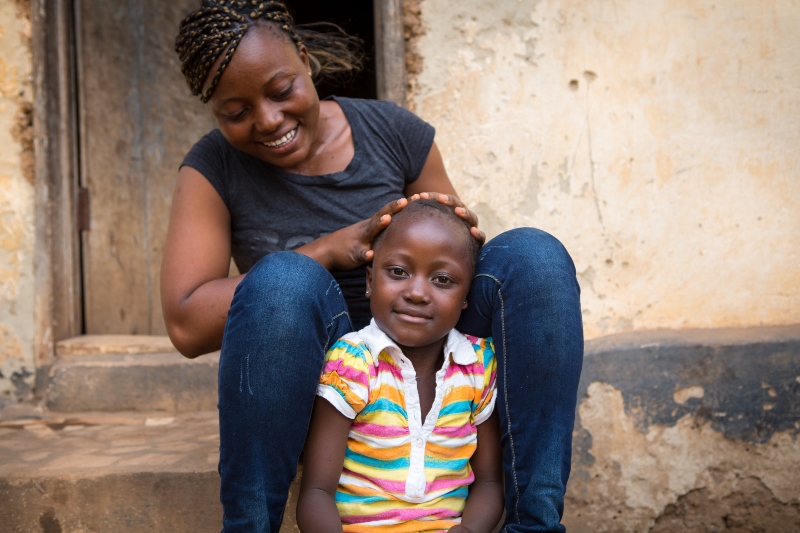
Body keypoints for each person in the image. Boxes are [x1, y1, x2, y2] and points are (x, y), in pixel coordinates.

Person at [163, 2, 583, 531]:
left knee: (534, 256)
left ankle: (535, 525)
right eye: (236, 111)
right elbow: (185, 324)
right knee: (284, 279)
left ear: (307, 62)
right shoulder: (212, 169)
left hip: (435, 362)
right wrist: (325, 249)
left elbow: (456, 256)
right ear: (213, 113)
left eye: (280, 89)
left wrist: (456, 237)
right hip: (325, 383)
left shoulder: (395, 133)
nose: (268, 119)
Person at [297, 199, 504, 533]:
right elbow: (317, 491)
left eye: (442, 279)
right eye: (398, 272)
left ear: (466, 296)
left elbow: (491, 482)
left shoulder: (478, 366)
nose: (418, 293)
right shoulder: (353, 362)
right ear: (369, 280)